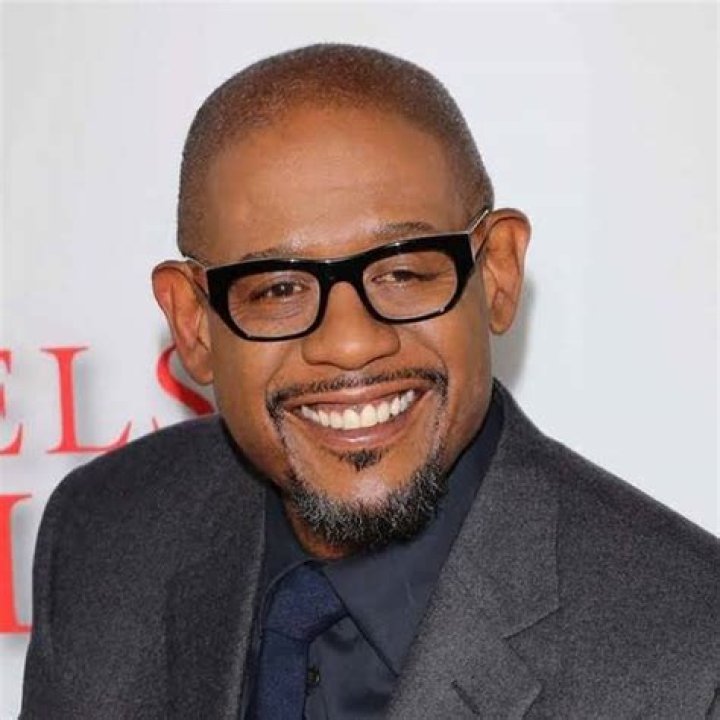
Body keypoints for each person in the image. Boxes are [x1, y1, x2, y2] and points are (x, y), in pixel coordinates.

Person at [21, 44, 719, 719]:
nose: (350, 343)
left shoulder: (692, 657)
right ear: (194, 324)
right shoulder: (106, 534)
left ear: (497, 275)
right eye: (279, 288)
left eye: (403, 272)